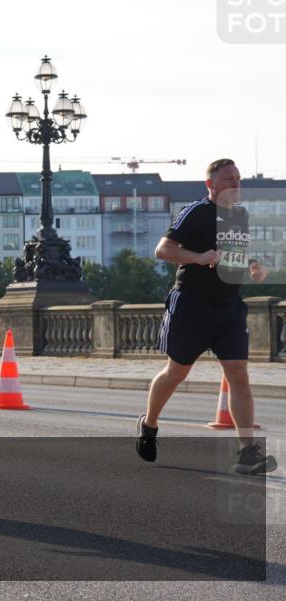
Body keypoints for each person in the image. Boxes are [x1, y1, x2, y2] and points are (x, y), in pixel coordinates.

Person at [137, 158, 276, 475]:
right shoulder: (196, 212)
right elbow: (163, 249)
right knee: (176, 373)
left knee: (238, 375)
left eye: (238, 179)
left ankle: (247, 453)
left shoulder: (239, 215)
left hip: (228, 308)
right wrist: (198, 257)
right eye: (228, 179)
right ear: (210, 185)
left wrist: (254, 265)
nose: (235, 184)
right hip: (192, 306)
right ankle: (149, 425)